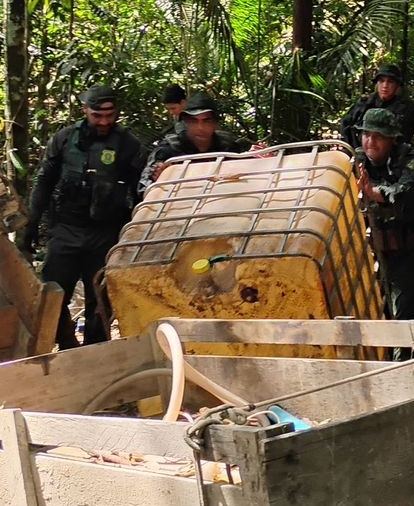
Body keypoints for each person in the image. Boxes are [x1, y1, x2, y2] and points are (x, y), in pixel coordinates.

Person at [19, 85, 146, 348]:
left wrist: (137, 234)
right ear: (85, 110)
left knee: (100, 301)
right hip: (66, 228)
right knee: (52, 295)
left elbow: (139, 192)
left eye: (110, 116)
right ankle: (65, 344)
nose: (104, 122)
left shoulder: (127, 144)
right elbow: (44, 181)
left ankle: (94, 353)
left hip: (106, 233)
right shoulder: (65, 139)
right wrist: (30, 225)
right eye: (97, 116)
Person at [354, 108, 414, 325]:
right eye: (366, 135)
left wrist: (372, 192)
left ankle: (405, 357)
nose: (370, 141)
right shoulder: (356, 159)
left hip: (409, 252)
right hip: (373, 250)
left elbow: (404, 192)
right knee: (376, 312)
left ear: (392, 140)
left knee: (407, 315)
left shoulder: (411, 160)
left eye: (378, 136)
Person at [140, 91, 252, 195]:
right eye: (194, 121)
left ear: (215, 123)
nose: (200, 128)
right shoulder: (168, 149)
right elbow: (144, 188)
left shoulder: (229, 146)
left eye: (206, 121)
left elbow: (252, 176)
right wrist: (160, 177)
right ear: (186, 122)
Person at [338, 64, 414, 166]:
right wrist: (350, 151)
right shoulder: (364, 104)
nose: (385, 86)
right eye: (381, 81)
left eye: (390, 82)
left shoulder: (409, 109)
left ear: (397, 85)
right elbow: (345, 125)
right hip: (363, 162)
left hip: (395, 165)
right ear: (377, 84)